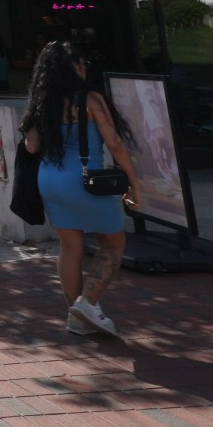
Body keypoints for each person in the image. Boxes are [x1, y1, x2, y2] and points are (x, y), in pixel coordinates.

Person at [20, 41, 144, 337]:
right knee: (113, 244)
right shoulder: (90, 99)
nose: (84, 67)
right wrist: (134, 184)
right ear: (71, 68)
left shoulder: (42, 103)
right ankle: (87, 303)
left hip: (50, 179)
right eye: (80, 62)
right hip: (84, 180)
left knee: (70, 247)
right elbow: (114, 143)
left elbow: (32, 146)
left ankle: (76, 316)